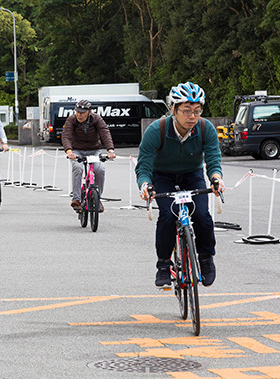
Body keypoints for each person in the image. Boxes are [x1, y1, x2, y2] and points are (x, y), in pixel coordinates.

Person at [135, 82, 225, 287]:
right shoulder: (156, 130)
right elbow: (143, 166)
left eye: (197, 111)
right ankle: (164, 265)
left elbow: (213, 159)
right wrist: (145, 185)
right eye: (186, 111)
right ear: (173, 109)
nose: (192, 116)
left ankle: (206, 259)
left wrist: (216, 178)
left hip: (191, 175)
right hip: (163, 176)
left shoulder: (205, 128)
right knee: (167, 215)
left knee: (202, 215)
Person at [62, 100, 116, 213]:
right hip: (77, 151)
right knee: (78, 168)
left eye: (82, 112)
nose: (79, 115)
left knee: (100, 170)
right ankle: (76, 199)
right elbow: (66, 135)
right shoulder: (71, 120)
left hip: (94, 150)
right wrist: (69, 151)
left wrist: (110, 150)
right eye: (77, 112)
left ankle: (98, 199)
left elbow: (105, 132)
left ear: (89, 112)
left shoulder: (96, 119)